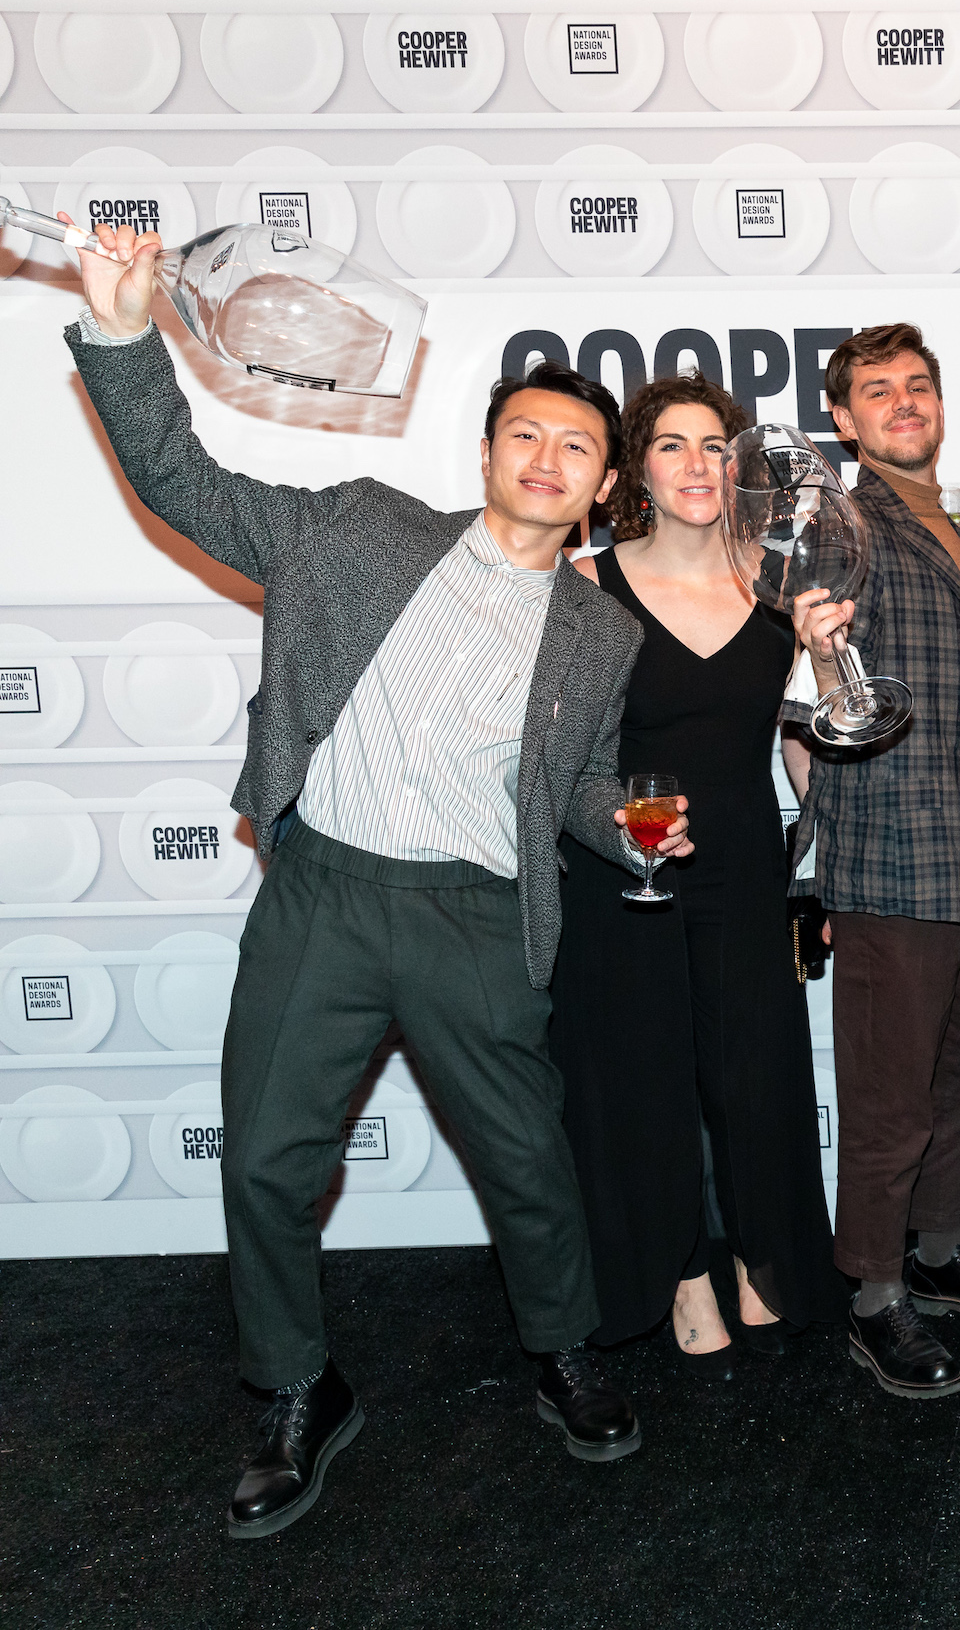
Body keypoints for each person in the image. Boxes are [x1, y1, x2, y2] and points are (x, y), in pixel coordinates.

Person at [63, 221, 691, 1536]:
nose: (545, 456)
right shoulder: (357, 528)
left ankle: (562, 1350)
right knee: (269, 1156)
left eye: (574, 446)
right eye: (525, 432)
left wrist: (638, 824)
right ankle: (298, 1385)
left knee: (528, 1156)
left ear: (599, 488)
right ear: (486, 451)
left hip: (473, 916)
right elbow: (181, 474)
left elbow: (579, 785)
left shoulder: (602, 632)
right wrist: (125, 324)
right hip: (327, 896)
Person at [550, 373, 840, 1375]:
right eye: (670, 445)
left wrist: (830, 670)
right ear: (635, 469)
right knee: (644, 1084)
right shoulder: (585, 583)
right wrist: (617, 831)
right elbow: (555, 754)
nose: (697, 464)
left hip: (747, 868)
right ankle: (677, 1273)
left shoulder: (780, 582)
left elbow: (804, 744)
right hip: (624, 870)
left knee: (756, 1077)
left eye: (715, 445)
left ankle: (767, 1256)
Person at [789, 323, 960, 1401]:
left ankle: (935, 1253)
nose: (903, 402)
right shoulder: (839, 522)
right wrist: (815, 641)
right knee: (891, 1096)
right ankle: (874, 1296)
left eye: (919, 385)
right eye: (876, 391)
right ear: (843, 418)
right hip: (890, 855)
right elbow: (812, 685)